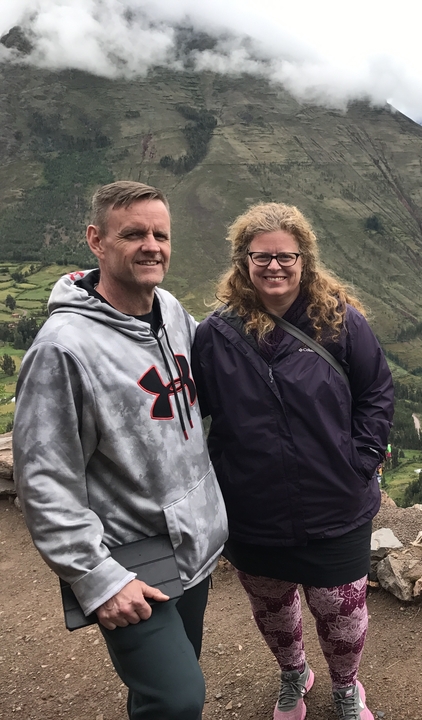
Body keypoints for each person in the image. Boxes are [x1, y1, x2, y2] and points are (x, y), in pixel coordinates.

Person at [13, 181, 228, 719]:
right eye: (133, 234)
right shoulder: (64, 348)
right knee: (178, 700)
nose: (151, 245)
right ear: (97, 240)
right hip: (129, 559)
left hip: (195, 544)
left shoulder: (171, 311)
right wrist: (99, 580)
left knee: (164, 689)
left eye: (160, 234)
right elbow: (44, 481)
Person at [192, 202, 394, 720]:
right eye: (261, 256)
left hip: (336, 498)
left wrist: (362, 458)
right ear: (243, 261)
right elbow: (198, 412)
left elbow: (376, 391)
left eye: (286, 255)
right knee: (272, 605)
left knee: (340, 609)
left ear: (304, 259)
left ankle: (346, 686)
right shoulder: (216, 336)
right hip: (254, 505)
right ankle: (292, 673)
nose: (274, 266)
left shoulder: (339, 321)